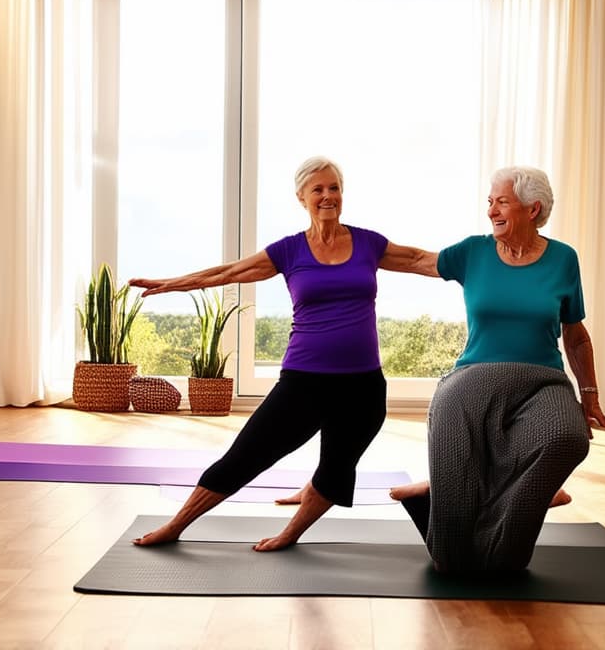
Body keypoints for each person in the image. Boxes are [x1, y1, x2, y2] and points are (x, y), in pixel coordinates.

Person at [128, 155, 424, 552]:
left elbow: (421, 260)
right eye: (317, 189)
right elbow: (228, 273)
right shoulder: (289, 251)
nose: (327, 195)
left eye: (334, 187)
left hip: (363, 385)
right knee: (246, 456)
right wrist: (173, 285)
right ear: (301, 197)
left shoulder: (369, 243)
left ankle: (291, 533)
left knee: (337, 469)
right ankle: (176, 525)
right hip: (304, 382)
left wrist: (485, 258)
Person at [379, 165, 605, 574]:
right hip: (474, 375)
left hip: (543, 380)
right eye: (490, 202)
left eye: (501, 201)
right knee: (451, 562)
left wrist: (588, 394)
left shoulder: (562, 259)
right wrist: (351, 247)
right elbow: (416, 259)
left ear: (532, 208)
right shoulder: (474, 252)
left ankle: (499, 535)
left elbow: (574, 335)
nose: (491, 211)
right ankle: (442, 506)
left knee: (568, 438)